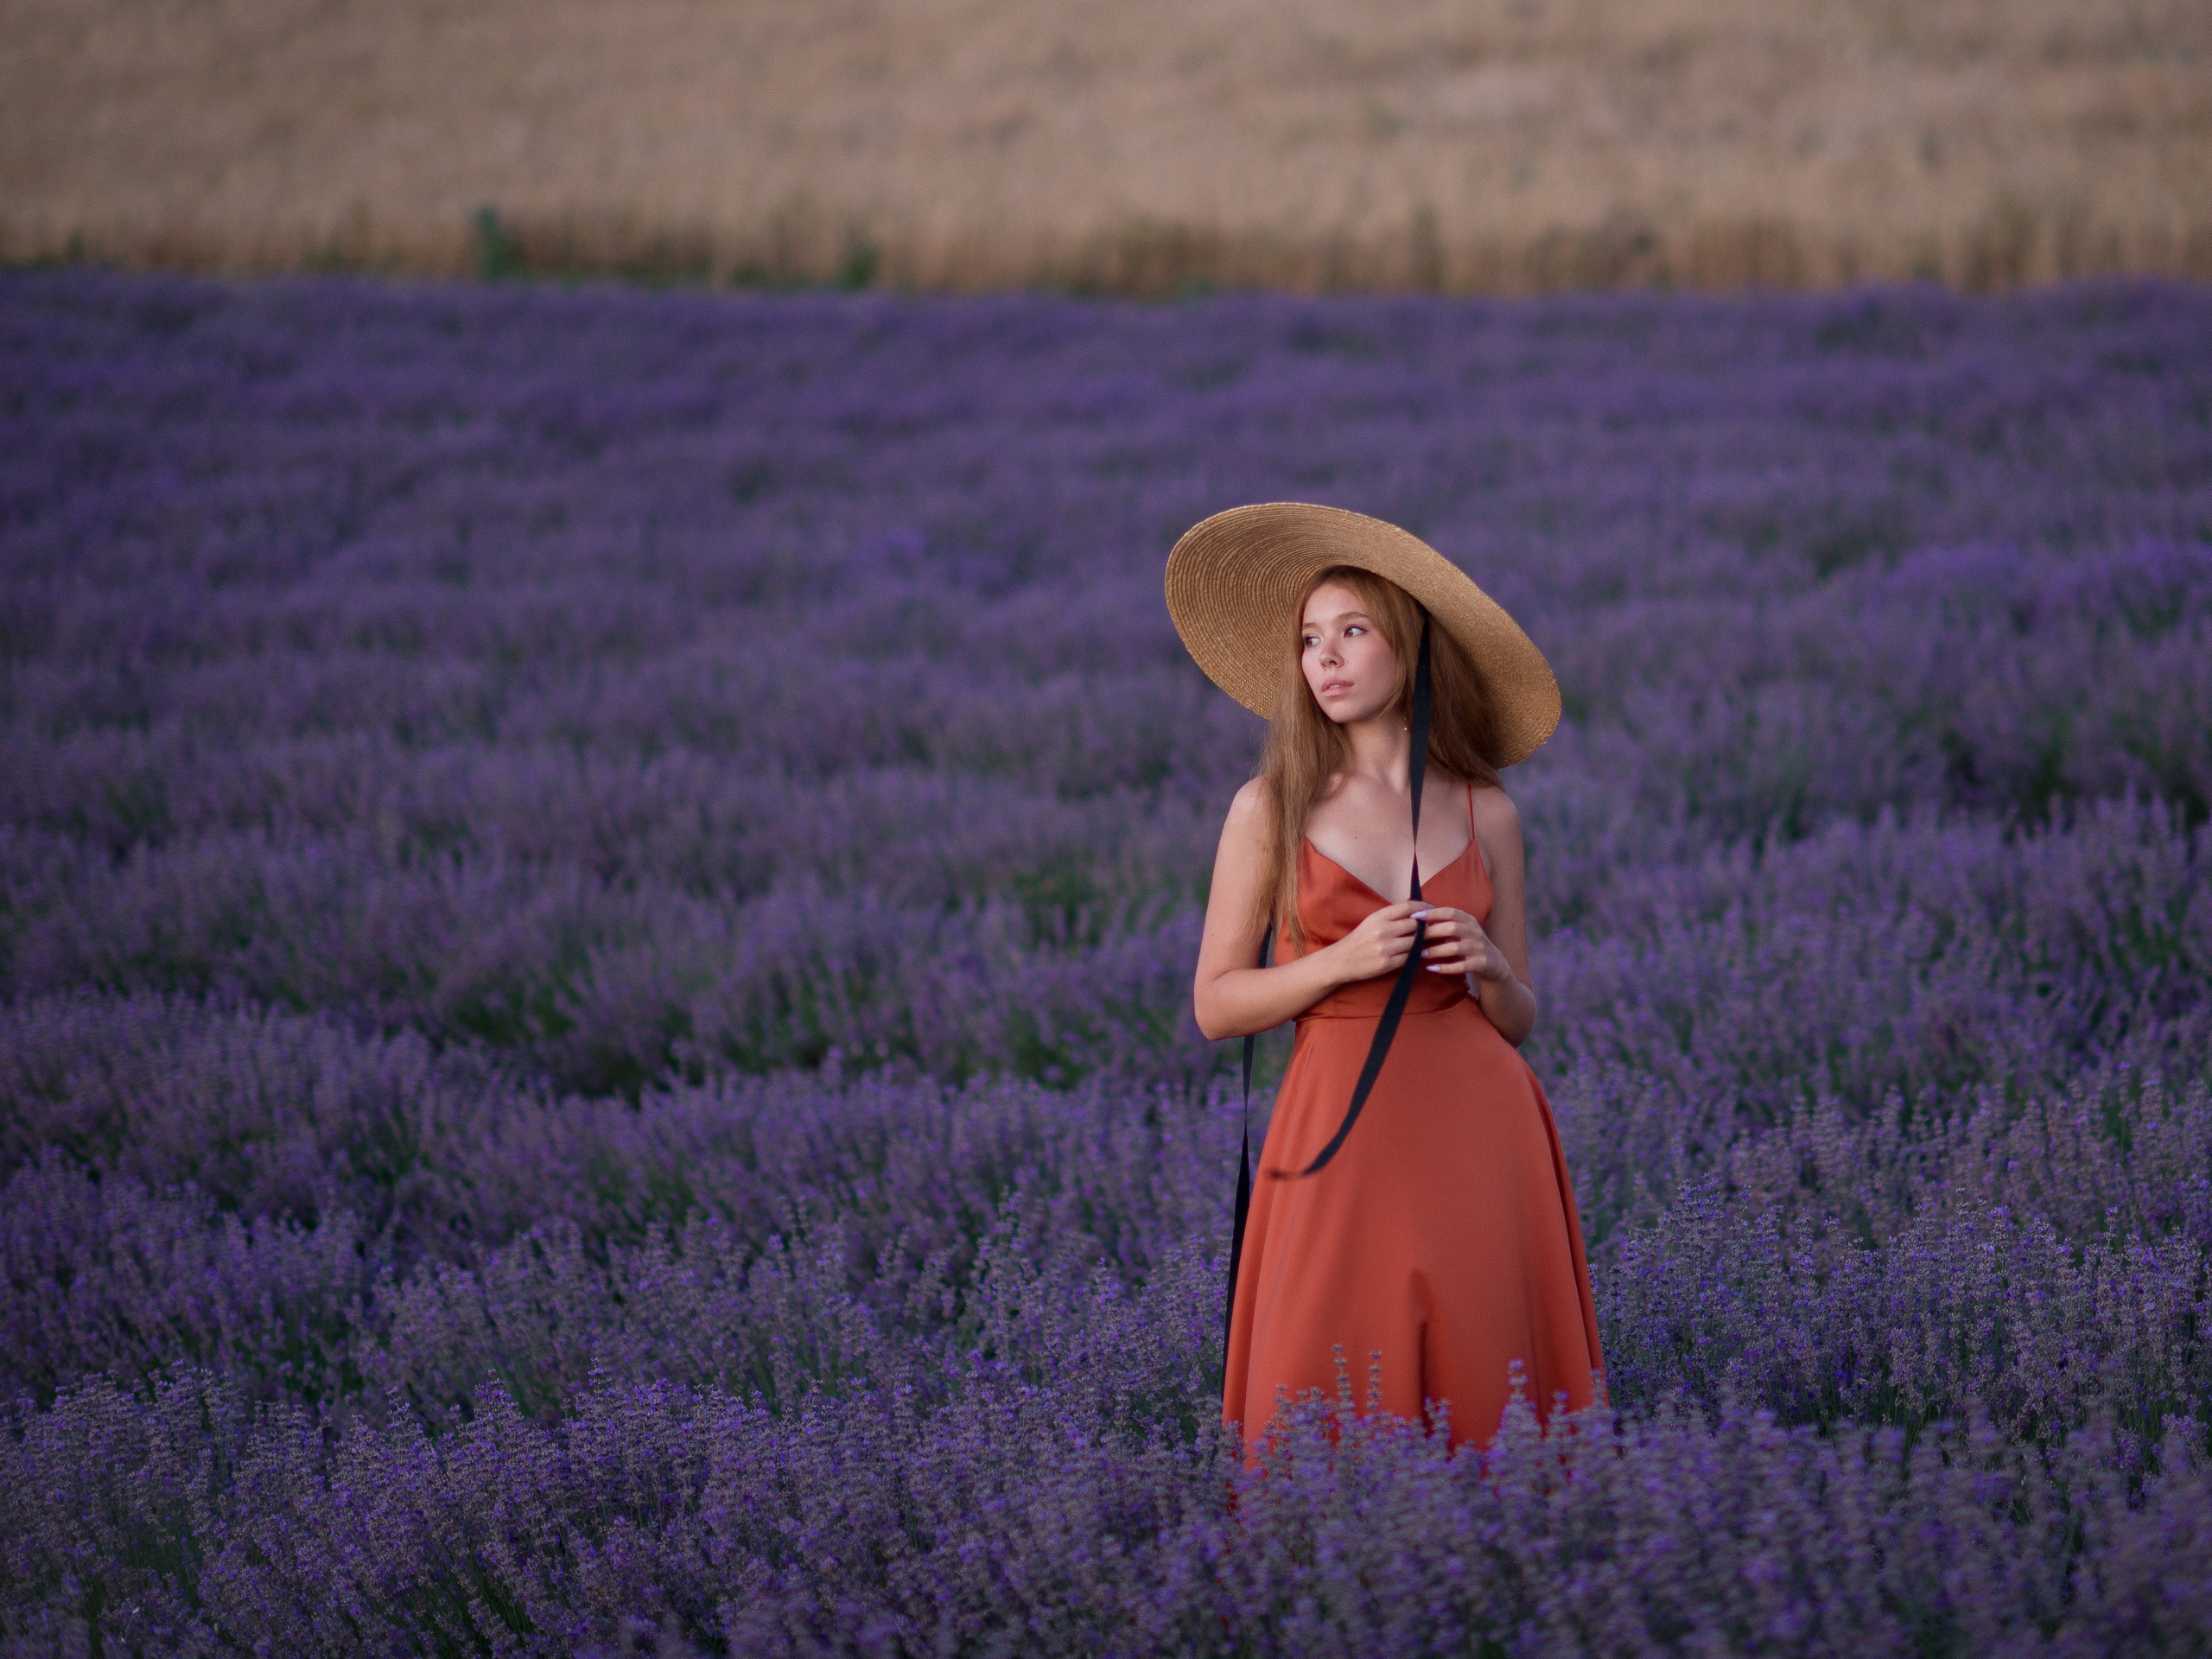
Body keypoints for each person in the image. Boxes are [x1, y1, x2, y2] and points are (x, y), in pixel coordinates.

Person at [1166, 502, 1602, 1453]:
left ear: (1409, 649)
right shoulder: (1267, 807)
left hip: (1486, 1132)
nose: (1324, 658)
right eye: (1309, 639)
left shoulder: (1488, 811)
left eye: (1352, 632)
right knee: (1320, 1370)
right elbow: (1214, 1006)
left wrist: (1488, 967)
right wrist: (1336, 964)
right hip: (1338, 1122)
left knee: (1490, 1368)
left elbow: (1519, 1020)